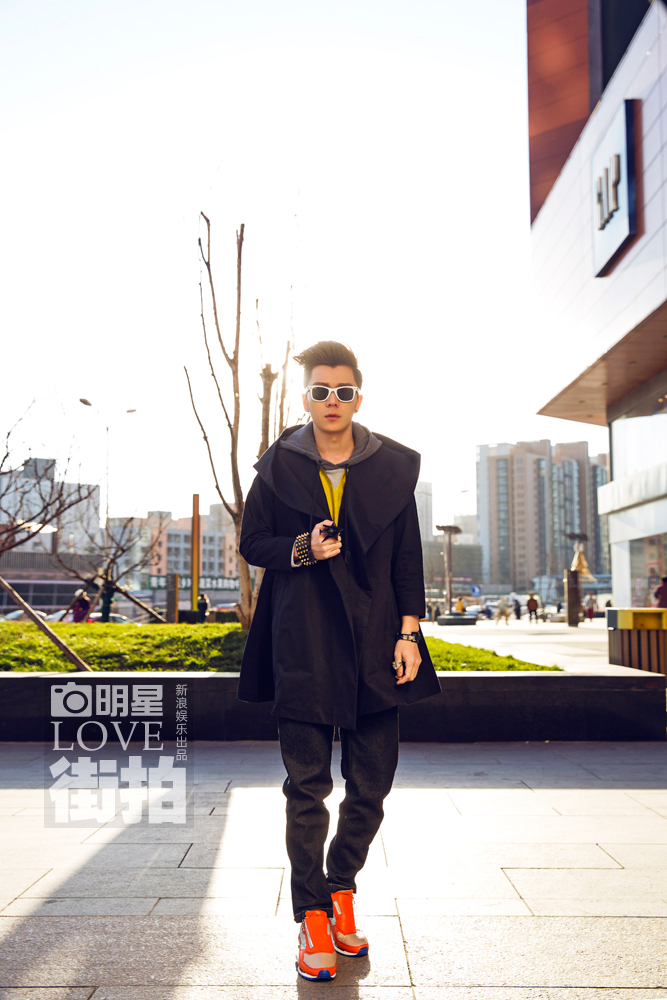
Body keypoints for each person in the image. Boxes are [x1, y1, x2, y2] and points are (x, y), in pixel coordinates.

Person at [237, 340, 440, 982]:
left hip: (377, 639)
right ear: (306, 399)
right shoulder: (277, 467)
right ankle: (313, 917)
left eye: (343, 392)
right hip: (301, 640)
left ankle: (340, 887)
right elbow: (252, 542)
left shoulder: (392, 469)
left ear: (358, 398)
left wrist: (409, 634)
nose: (332, 401)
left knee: (372, 784)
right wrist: (302, 547)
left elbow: (408, 558)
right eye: (321, 391)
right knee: (307, 788)